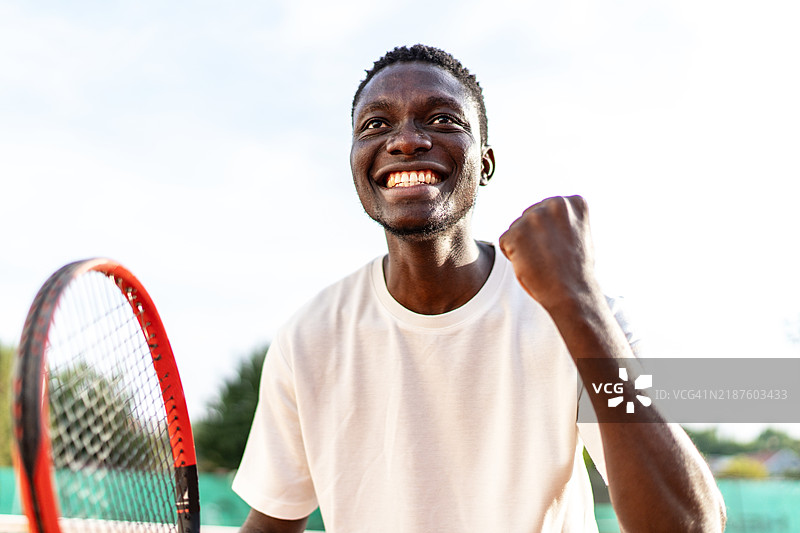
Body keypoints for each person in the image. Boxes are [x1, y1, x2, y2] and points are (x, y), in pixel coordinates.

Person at [233, 44, 726, 532]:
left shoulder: (579, 313)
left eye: (442, 119)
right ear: (357, 165)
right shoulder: (308, 339)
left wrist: (578, 301)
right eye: (375, 125)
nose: (405, 141)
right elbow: (271, 524)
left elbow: (689, 527)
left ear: (485, 163)